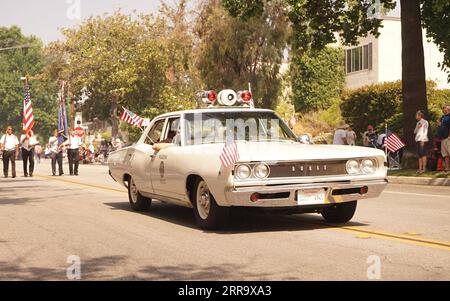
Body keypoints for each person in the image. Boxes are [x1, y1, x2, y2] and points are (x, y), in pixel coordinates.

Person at [437, 105, 450, 171]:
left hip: (448, 138)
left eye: (444, 108)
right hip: (443, 138)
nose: (442, 109)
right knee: (445, 154)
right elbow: (441, 126)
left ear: (448, 109)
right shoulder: (442, 117)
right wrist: (439, 124)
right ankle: (447, 168)